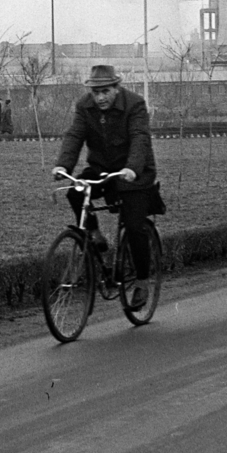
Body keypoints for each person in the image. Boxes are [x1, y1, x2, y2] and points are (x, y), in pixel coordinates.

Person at [52, 65, 162, 306]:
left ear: (116, 88)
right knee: (75, 192)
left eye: (105, 91)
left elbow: (139, 138)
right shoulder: (84, 107)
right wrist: (63, 166)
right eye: (96, 92)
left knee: (134, 227)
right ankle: (93, 233)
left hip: (134, 173)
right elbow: (74, 136)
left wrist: (132, 168)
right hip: (102, 169)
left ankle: (142, 282)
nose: (100, 97)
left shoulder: (134, 105)